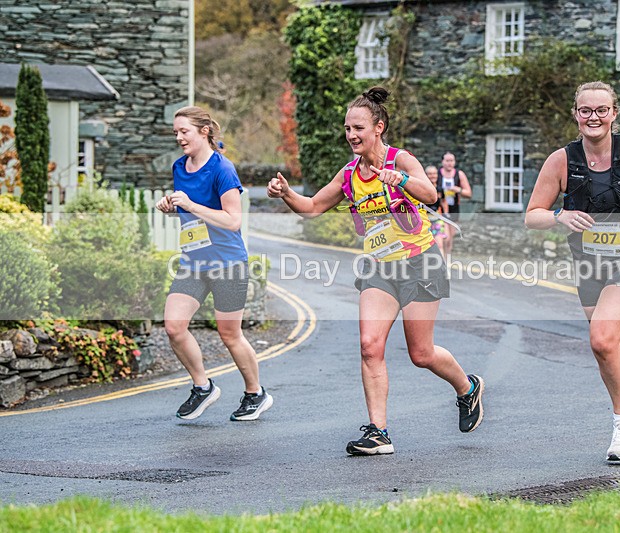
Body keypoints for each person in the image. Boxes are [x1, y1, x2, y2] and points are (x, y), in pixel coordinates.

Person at [267, 87, 484, 456]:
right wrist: (286, 193)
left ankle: (467, 388)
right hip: (379, 267)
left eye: (358, 128)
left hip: (420, 262)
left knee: (421, 353)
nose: (351, 135)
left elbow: (430, 194)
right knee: (369, 346)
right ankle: (378, 432)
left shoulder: (401, 160)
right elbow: (313, 207)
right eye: (347, 129)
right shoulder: (349, 173)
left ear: (378, 128)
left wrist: (400, 180)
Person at [524, 81, 620, 461]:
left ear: (613, 113)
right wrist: (560, 215)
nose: (593, 117)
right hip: (590, 266)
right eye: (586, 110)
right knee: (619, 346)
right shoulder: (561, 161)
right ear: (576, 115)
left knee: (601, 339)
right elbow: (532, 216)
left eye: (601, 110)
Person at [156, 106, 273, 422]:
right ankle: (202, 387)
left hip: (227, 263)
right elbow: (189, 212)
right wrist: (172, 206)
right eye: (176, 132)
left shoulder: (223, 169)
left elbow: (233, 221)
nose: (179, 137)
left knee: (229, 334)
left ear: (204, 131)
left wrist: (191, 204)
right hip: (193, 261)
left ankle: (255, 393)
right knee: (174, 326)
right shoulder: (179, 167)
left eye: (184, 131)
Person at [437, 152, 471, 259]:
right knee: (445, 237)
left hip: (453, 208)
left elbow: (468, 193)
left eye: (452, 161)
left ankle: (447, 258)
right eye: (447, 161)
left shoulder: (459, 174)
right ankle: (441, 258)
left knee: (450, 238)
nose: (449, 163)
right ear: (442, 161)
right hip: (440, 208)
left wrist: (457, 189)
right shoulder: (437, 174)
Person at [425, 165, 449, 253]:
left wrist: (446, 216)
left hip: (437, 219)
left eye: (434, 173)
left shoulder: (439, 189)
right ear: (425, 175)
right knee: (427, 246)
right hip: (425, 220)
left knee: (440, 245)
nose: (433, 176)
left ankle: (441, 261)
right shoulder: (422, 189)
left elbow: (444, 202)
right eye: (430, 174)